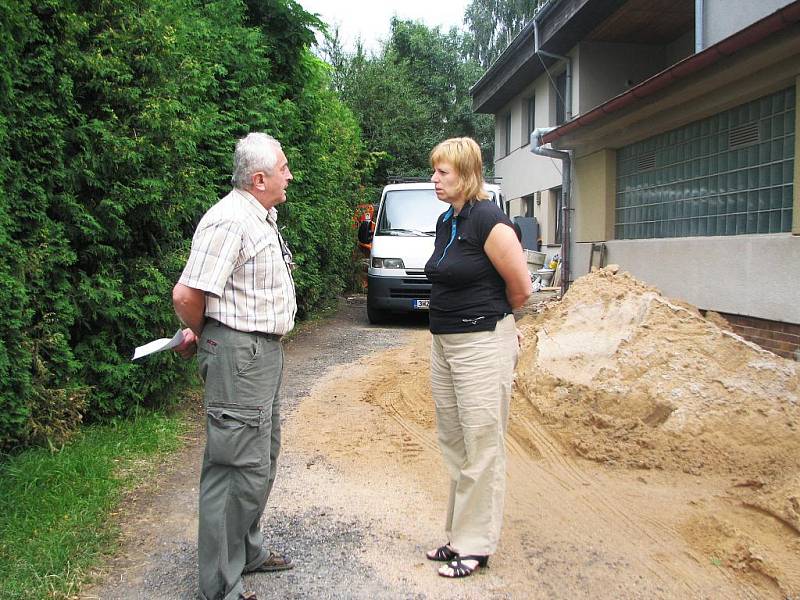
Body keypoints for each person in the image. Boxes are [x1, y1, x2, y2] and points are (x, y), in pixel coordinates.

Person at [172, 132, 297, 600]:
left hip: (260, 355)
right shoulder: (229, 220)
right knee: (231, 469)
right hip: (240, 356)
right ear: (260, 178)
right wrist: (204, 334)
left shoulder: (260, 216)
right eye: (283, 168)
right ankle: (219, 586)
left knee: (259, 461)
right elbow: (187, 294)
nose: (289, 175)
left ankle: (247, 551)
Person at [423, 137, 532, 578]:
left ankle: (476, 547)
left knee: (483, 444)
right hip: (445, 343)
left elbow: (521, 288)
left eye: (442, 172)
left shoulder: (490, 220)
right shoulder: (447, 220)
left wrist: (494, 322)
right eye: (434, 171)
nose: (434, 179)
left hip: (482, 342)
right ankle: (458, 536)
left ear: (466, 175)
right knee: (455, 440)